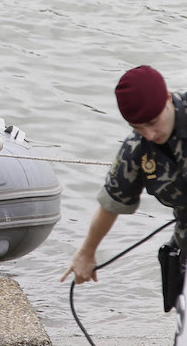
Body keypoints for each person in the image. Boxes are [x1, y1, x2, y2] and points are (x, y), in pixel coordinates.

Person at [61, 65, 187, 293]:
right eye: (137, 128)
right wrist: (86, 253)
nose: (149, 135)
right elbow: (111, 204)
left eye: (152, 122)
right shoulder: (136, 150)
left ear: (167, 98)